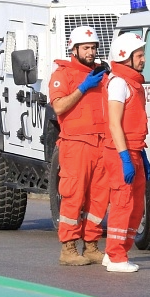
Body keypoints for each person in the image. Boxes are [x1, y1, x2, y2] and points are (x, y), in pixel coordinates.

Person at [49, 26, 109, 266]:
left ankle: (92, 245)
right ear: (74, 49)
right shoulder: (62, 75)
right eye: (86, 48)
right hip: (75, 144)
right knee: (73, 195)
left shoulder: (102, 74)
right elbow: (59, 107)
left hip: (101, 143)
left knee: (99, 197)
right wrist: (82, 88)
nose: (91, 52)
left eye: (93, 47)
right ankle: (68, 248)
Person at [102, 33, 150, 273]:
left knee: (135, 205)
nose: (143, 59)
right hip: (121, 151)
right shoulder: (119, 83)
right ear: (125, 57)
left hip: (134, 150)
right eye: (139, 55)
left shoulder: (133, 82)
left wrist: (141, 156)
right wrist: (124, 158)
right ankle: (116, 256)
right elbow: (114, 124)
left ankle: (119, 251)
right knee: (122, 203)